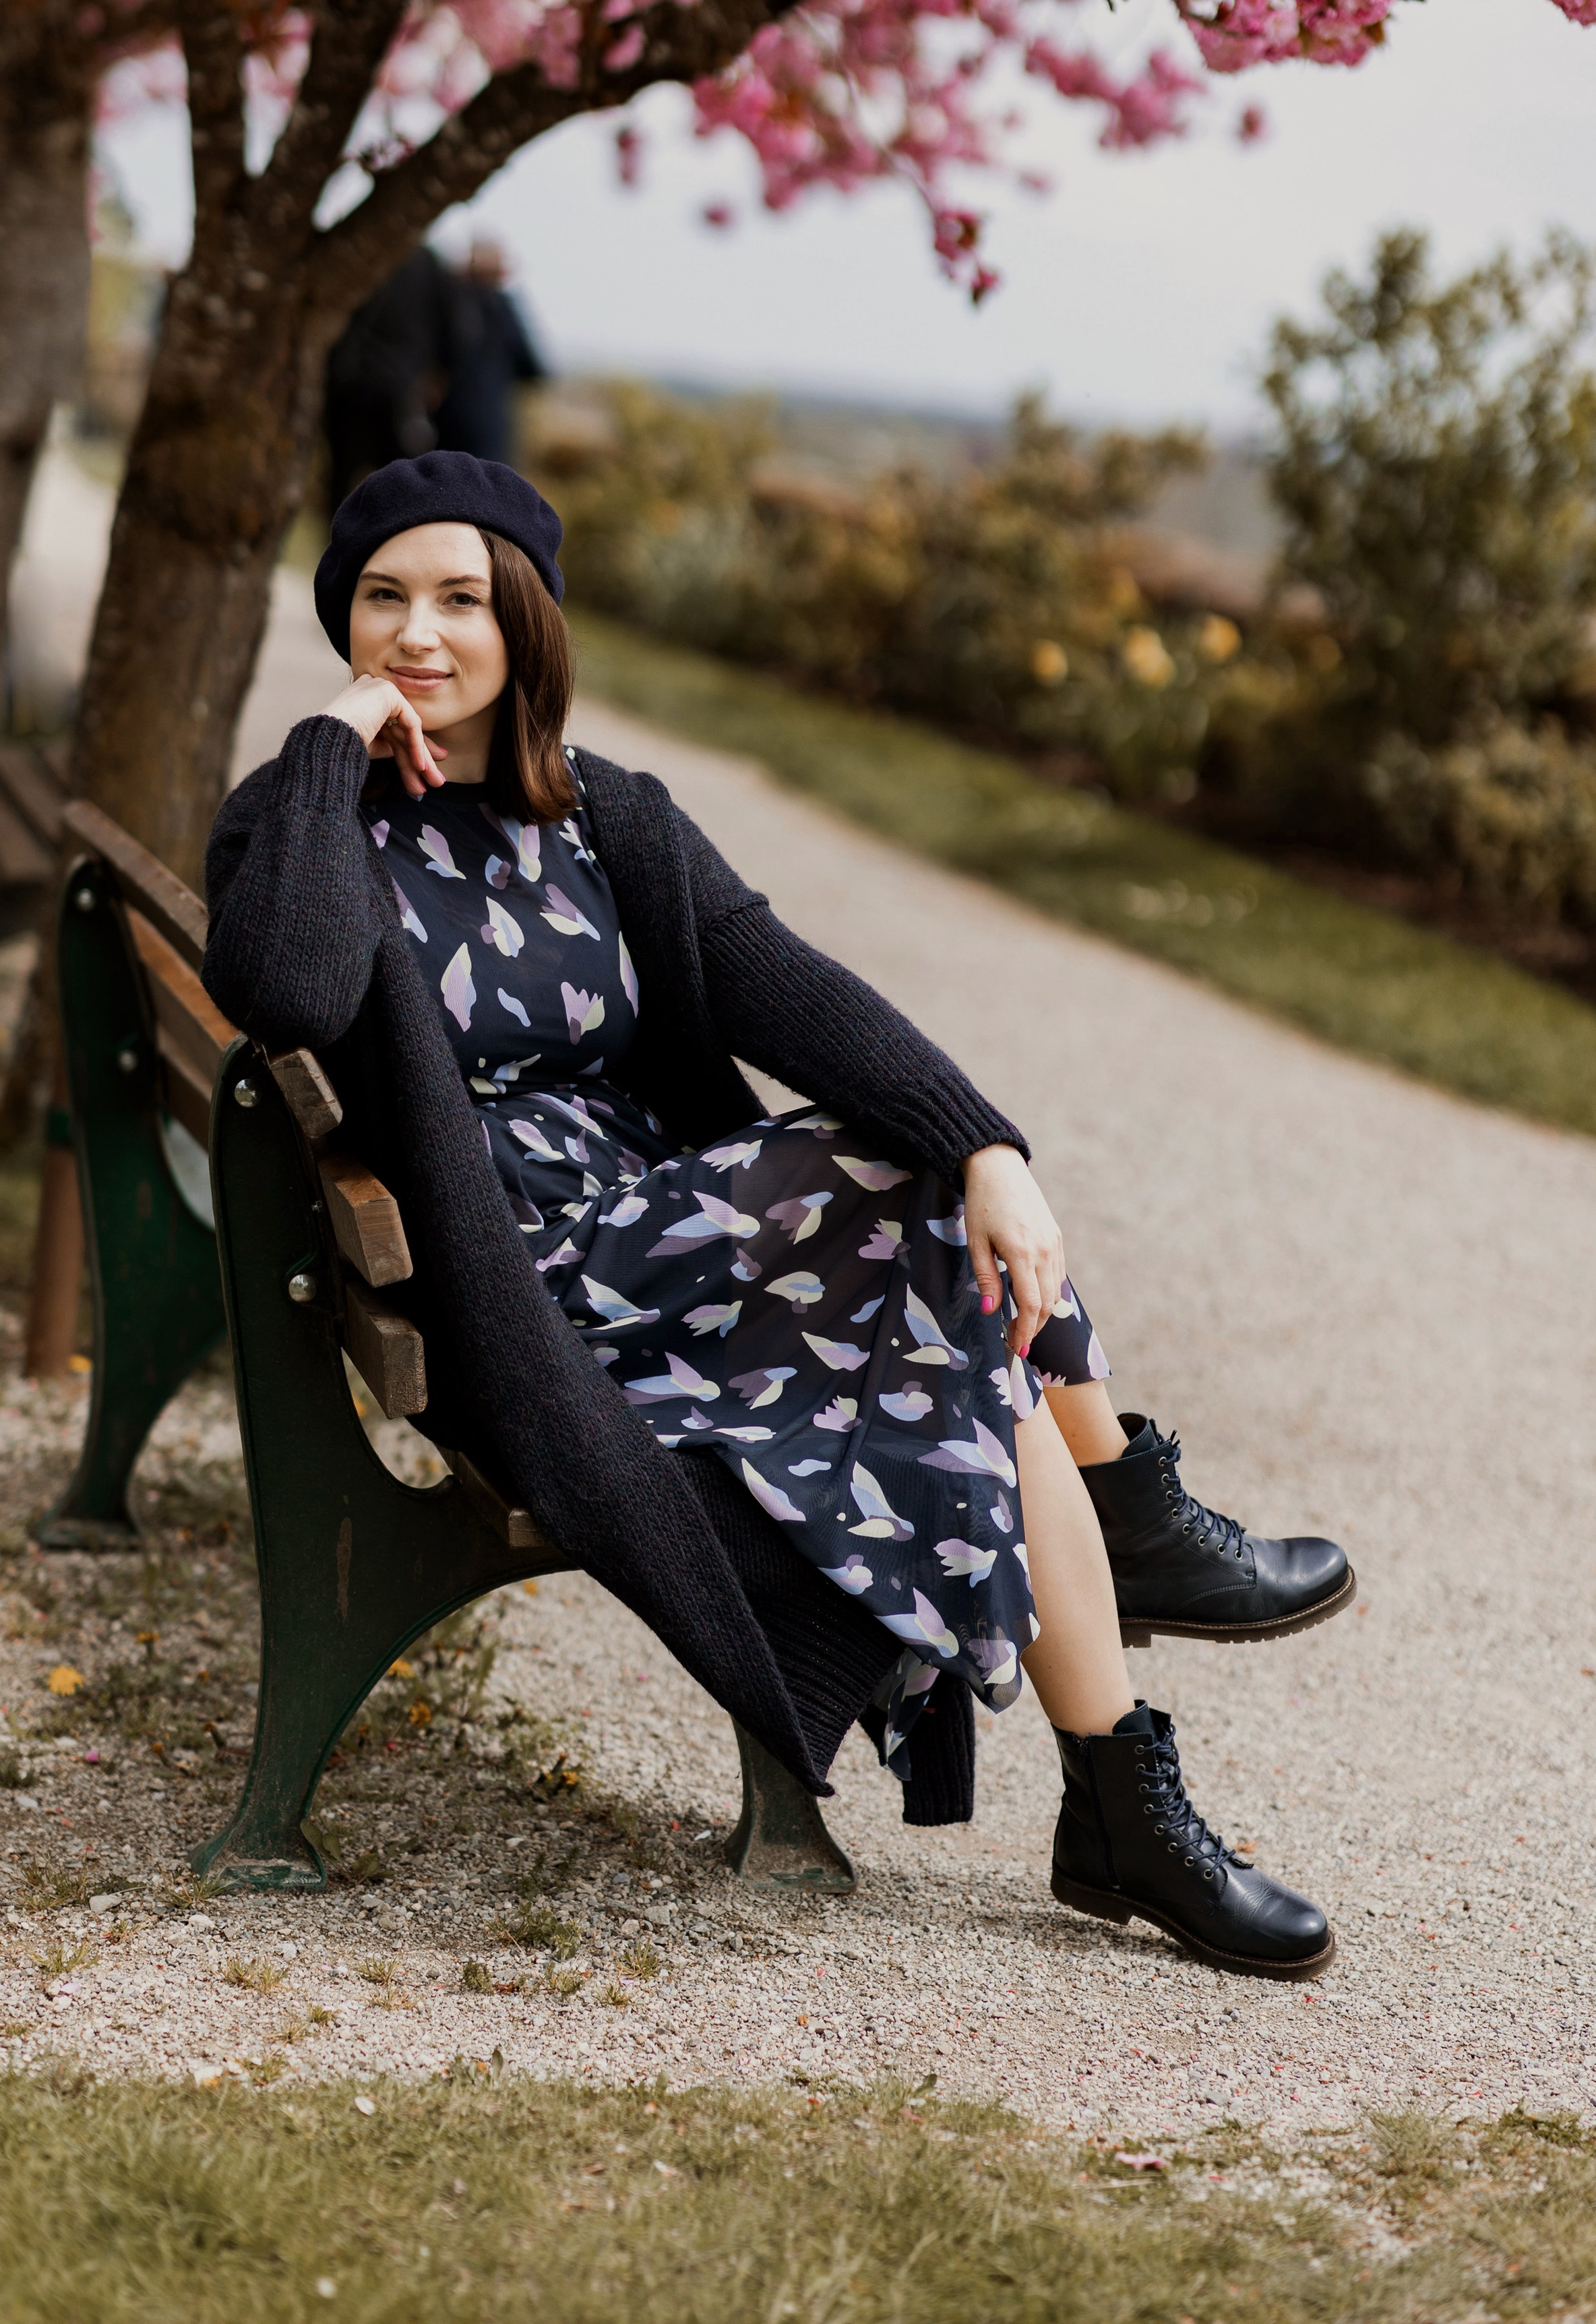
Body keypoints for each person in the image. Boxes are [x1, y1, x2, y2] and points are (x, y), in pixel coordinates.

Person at [202, 452, 1355, 1982]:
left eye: (460, 598)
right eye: (382, 599)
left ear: (524, 620)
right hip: (523, 1280)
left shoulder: (605, 818)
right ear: (342, 621)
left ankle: (1119, 1790)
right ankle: (1126, 1540)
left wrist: (991, 1147)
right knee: (911, 1193)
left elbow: (786, 982)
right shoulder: (306, 824)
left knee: (963, 1283)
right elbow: (282, 986)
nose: (418, 632)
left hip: (672, 1246)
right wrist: (330, 745)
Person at [322, 247, 458, 515]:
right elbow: (453, 331)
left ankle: (343, 537)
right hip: (399, 386)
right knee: (404, 485)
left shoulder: (360, 254)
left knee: (346, 478)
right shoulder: (427, 264)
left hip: (357, 384)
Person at [429, 240, 547, 466]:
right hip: (490, 424)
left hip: (445, 422)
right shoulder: (501, 308)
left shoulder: (445, 302)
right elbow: (531, 366)